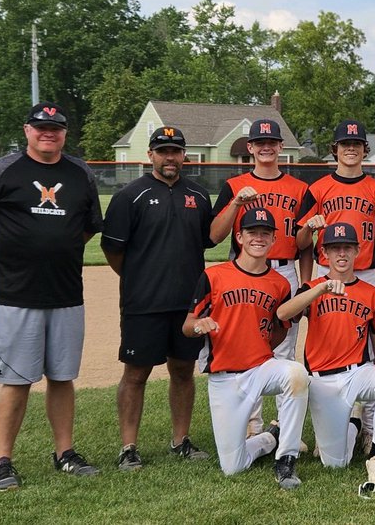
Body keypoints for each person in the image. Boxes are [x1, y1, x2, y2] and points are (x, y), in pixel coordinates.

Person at [0, 102, 103, 490]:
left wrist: (59, 247)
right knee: (17, 379)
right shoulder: (2, 171)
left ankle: (65, 453)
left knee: (62, 377)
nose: (48, 133)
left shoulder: (80, 173)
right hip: (17, 295)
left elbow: (90, 224)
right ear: (27, 130)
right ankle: (3, 460)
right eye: (41, 127)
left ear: (65, 134)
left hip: (66, 292)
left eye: (56, 128)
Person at [102, 126, 215, 470]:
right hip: (144, 302)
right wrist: (137, 278)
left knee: (183, 371)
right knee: (136, 373)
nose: (170, 157)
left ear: (184, 156)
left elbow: (206, 241)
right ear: (150, 154)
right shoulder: (130, 196)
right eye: (163, 151)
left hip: (187, 303)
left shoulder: (198, 195)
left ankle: (181, 440)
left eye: (175, 151)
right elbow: (113, 250)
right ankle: (128, 447)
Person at [183, 206, 310, 489]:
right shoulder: (214, 276)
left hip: (260, 368)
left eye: (265, 233)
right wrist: (199, 326)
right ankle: (270, 437)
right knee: (233, 467)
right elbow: (187, 325)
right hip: (224, 377)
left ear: (274, 239)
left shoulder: (280, 284)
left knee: (296, 374)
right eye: (252, 232)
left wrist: (259, 345)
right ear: (239, 237)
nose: (259, 238)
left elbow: (280, 330)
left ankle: (286, 459)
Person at [276, 222, 375, 485]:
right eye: (334, 248)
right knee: (335, 463)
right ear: (325, 253)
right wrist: (319, 289)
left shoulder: (371, 293)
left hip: (358, 373)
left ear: (357, 251)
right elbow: (283, 313)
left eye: (346, 248)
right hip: (322, 380)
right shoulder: (312, 288)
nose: (341, 254)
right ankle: (354, 423)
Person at [209, 118, 309, 436]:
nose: (266, 147)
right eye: (260, 142)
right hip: (244, 271)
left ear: (281, 147)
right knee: (246, 347)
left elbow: (307, 245)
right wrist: (235, 203)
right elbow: (214, 235)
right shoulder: (234, 186)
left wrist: (305, 284)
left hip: (285, 269)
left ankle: (283, 427)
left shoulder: (299, 188)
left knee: (284, 348)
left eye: (272, 142)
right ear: (250, 147)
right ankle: (251, 425)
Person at [297, 119, 375, 285]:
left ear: (365, 150)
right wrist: (308, 227)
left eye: (357, 144)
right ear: (335, 149)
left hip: (366, 274)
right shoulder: (317, 189)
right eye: (345, 144)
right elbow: (300, 242)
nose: (351, 148)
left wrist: (366, 253)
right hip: (327, 270)